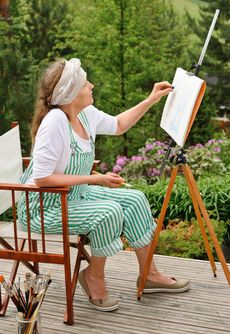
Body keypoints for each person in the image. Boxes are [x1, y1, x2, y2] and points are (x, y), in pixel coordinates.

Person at [18, 58, 190, 312]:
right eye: (86, 83)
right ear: (71, 93)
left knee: (135, 200)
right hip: (44, 208)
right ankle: (93, 277)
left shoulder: (85, 115)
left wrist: (151, 99)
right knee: (108, 213)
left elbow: (119, 125)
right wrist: (95, 178)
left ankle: (149, 275)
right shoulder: (55, 122)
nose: (92, 86)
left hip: (74, 195)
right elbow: (42, 179)